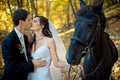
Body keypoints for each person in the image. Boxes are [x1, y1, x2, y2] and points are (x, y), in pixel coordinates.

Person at [2, 9, 47, 80]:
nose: (31, 22)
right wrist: (32, 64)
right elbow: (11, 67)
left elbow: (25, 57)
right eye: (29, 20)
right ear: (21, 22)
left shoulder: (25, 38)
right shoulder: (8, 41)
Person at [27, 16, 68, 80]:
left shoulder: (49, 41)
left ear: (42, 26)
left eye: (35, 21)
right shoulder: (30, 42)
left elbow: (56, 63)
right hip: (30, 78)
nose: (31, 23)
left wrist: (68, 62)